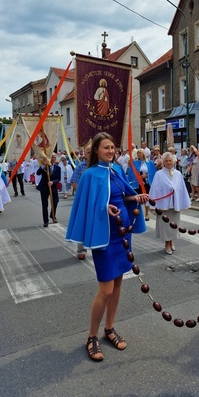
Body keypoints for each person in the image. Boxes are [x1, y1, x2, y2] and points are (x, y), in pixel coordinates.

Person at [66, 132, 149, 361]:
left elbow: (124, 196)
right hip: (104, 236)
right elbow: (86, 206)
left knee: (119, 283)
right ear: (96, 151)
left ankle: (109, 328)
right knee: (106, 289)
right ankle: (92, 336)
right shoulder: (89, 175)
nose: (111, 151)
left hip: (122, 232)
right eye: (106, 148)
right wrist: (105, 209)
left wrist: (137, 197)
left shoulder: (117, 170)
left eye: (112, 147)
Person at [148, 152, 190, 254]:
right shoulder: (159, 174)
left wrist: (183, 200)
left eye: (170, 160)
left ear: (174, 161)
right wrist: (153, 203)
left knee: (174, 225)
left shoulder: (178, 174)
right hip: (164, 205)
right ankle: (167, 243)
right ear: (163, 162)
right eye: (166, 161)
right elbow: (155, 189)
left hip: (175, 204)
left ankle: (172, 242)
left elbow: (182, 188)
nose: (168, 162)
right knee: (165, 226)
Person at [127, 148, 156, 220]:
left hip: (147, 183)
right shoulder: (135, 163)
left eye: (140, 153)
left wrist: (146, 175)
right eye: (138, 153)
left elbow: (153, 172)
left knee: (147, 198)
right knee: (138, 199)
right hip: (137, 183)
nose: (139, 155)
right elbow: (131, 173)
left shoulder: (150, 163)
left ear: (143, 154)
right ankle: (138, 213)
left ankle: (146, 213)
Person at [36, 153, 61, 227]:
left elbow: (58, 178)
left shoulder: (57, 168)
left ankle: (52, 215)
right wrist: (43, 165)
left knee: (55, 201)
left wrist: (53, 182)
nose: (53, 158)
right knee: (44, 204)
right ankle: (45, 221)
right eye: (52, 157)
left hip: (53, 187)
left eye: (55, 157)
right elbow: (38, 173)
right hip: (44, 187)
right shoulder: (44, 166)